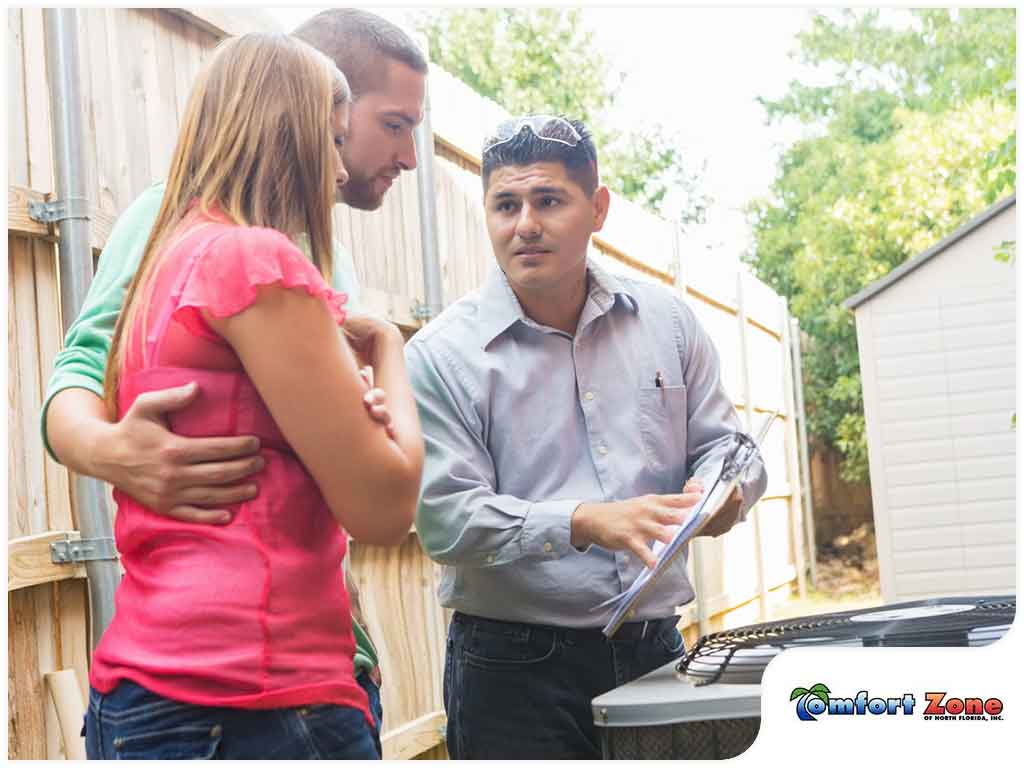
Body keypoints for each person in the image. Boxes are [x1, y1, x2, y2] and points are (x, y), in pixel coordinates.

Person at [41, 9, 428, 752]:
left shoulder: (183, 251)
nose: (346, 166)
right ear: (297, 117)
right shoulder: (247, 254)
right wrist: (386, 353)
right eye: (343, 135)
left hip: (165, 669)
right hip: (253, 687)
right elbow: (384, 506)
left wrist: (355, 409)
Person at [406, 115, 769, 759]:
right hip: (509, 669)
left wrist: (723, 491)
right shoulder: (442, 354)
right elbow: (445, 521)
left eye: (548, 200)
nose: (525, 225)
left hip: (656, 647)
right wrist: (581, 520)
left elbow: (729, 448)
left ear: (597, 208)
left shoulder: (669, 323)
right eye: (505, 205)